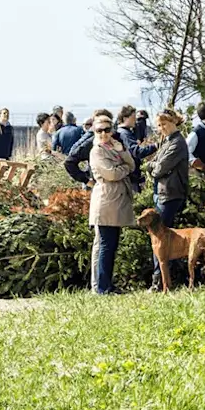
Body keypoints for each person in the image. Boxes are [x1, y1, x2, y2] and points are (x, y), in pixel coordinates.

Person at [87, 115, 135, 295]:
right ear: (94, 131)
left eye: (107, 130)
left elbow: (132, 164)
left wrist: (122, 153)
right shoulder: (97, 151)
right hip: (106, 202)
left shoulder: (115, 147)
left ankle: (107, 284)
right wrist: (124, 169)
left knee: (112, 245)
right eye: (99, 131)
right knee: (105, 245)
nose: (103, 134)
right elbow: (111, 174)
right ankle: (101, 287)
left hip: (117, 201)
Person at [146, 110, 190, 292]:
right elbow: (153, 163)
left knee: (160, 240)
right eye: (159, 125)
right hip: (162, 193)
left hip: (170, 194)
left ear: (174, 122)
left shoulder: (178, 143)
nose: (161, 128)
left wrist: (152, 166)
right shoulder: (166, 141)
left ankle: (160, 282)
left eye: (164, 124)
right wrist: (153, 165)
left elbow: (158, 168)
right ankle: (164, 278)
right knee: (161, 239)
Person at [115, 105, 158, 194]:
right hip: (130, 177)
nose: (135, 120)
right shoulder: (125, 134)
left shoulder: (122, 132)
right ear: (125, 118)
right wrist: (155, 146)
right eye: (133, 117)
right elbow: (137, 152)